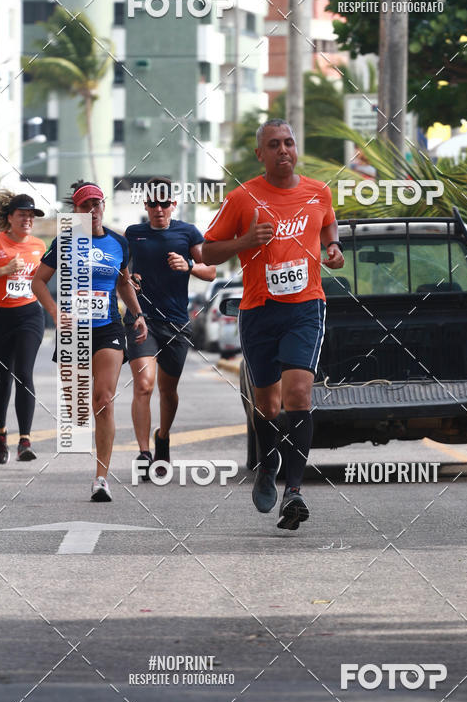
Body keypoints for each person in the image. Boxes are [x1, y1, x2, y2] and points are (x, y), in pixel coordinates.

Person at [202, 119, 344, 529]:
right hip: (259, 311)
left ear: (296, 148)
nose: (283, 150)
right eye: (274, 145)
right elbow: (208, 252)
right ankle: (267, 465)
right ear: (260, 154)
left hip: (305, 307)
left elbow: (328, 220)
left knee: (298, 392)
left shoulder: (318, 191)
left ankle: (294, 491)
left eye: (289, 143)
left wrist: (333, 246)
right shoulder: (242, 198)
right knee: (267, 405)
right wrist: (246, 242)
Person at [32, 181, 147, 501]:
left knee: (104, 400)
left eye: (97, 204)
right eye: (86, 206)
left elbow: (124, 284)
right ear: (77, 211)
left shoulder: (119, 243)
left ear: (103, 207)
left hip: (108, 327)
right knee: (77, 407)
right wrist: (55, 314)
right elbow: (38, 282)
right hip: (72, 330)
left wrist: (137, 314)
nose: (93, 210)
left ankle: (101, 478)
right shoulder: (65, 241)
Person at [124, 176, 216, 479]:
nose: (159, 209)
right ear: (146, 205)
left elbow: (211, 271)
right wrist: (131, 280)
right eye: (153, 203)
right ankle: (143, 454)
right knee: (144, 385)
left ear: (173, 204)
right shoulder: (133, 234)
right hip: (142, 319)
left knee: (168, 391)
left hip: (176, 321)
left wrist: (189, 266)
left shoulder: (187, 233)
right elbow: (124, 273)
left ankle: (162, 437)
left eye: (165, 203)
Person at [0, 191, 46, 463]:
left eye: (31, 216)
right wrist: (4, 269)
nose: (27, 220)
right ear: (10, 217)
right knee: (3, 377)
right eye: (22, 215)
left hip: (30, 316)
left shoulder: (39, 246)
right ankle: (0, 431)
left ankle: (25, 440)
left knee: (24, 373)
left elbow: (45, 279)